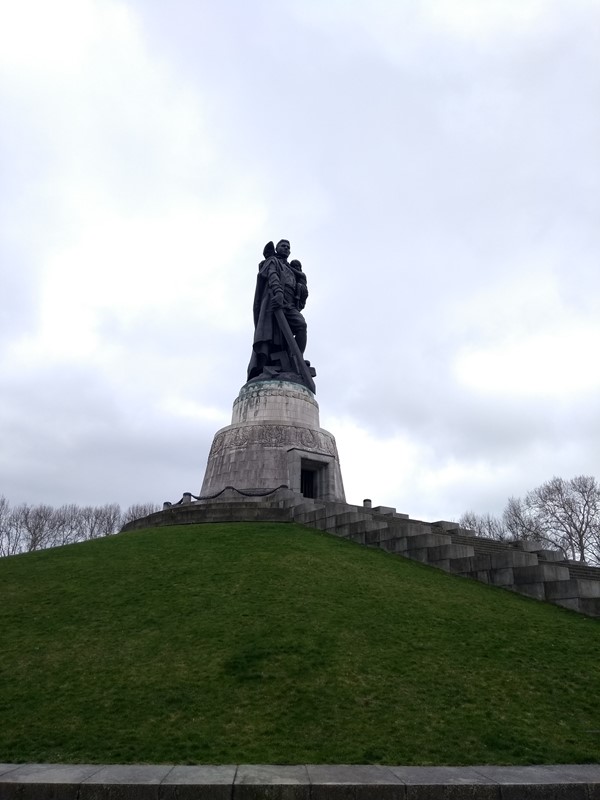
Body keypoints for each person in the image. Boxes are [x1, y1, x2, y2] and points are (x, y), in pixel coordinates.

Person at [246, 239, 312, 386]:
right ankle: (266, 364)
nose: (286, 248)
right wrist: (278, 292)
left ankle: (296, 358)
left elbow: (300, 289)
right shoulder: (273, 261)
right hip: (275, 302)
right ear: (277, 248)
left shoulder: (292, 269)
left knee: (301, 326)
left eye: (288, 247)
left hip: (289, 305)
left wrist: (301, 287)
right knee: (270, 336)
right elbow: (272, 275)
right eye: (283, 246)